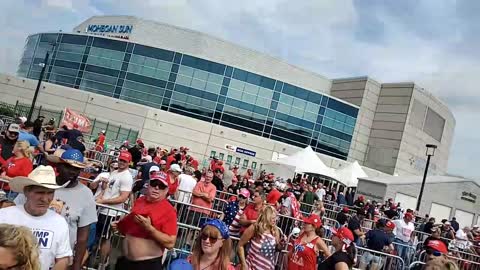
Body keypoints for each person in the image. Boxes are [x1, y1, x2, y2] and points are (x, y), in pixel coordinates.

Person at [15, 148, 97, 270]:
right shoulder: (40, 183)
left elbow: (83, 236)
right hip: (23, 256)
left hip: (59, 261)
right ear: (59, 166)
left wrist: (76, 265)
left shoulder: (86, 194)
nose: (72, 172)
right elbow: (16, 212)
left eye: (77, 169)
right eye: (68, 167)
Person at [0, 166, 72, 270]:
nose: (45, 199)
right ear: (26, 192)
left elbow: (63, 258)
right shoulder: (4, 216)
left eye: (50, 193)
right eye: (40, 192)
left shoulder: (59, 222)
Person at [112, 171, 177, 269]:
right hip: (126, 261)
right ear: (148, 185)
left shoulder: (169, 211)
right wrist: (119, 226)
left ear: (166, 190)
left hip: (147, 265)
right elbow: (132, 228)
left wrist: (150, 228)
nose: (157, 188)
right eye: (154, 184)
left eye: (161, 186)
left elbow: (170, 243)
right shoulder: (140, 201)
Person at [95, 150, 134, 268]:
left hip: (111, 213)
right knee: (100, 238)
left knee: (106, 239)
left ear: (128, 163)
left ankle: (102, 264)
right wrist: (102, 192)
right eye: (120, 160)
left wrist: (104, 201)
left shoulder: (127, 177)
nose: (121, 162)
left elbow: (123, 198)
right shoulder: (115, 172)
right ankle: (101, 261)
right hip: (102, 209)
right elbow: (108, 190)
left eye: (124, 161)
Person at [238, 205, 283, 270]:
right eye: (272, 218)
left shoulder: (276, 230)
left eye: (275, 218)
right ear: (266, 217)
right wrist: (244, 264)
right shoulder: (255, 227)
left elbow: (276, 249)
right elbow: (240, 245)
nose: (275, 220)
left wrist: (281, 244)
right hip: (251, 267)